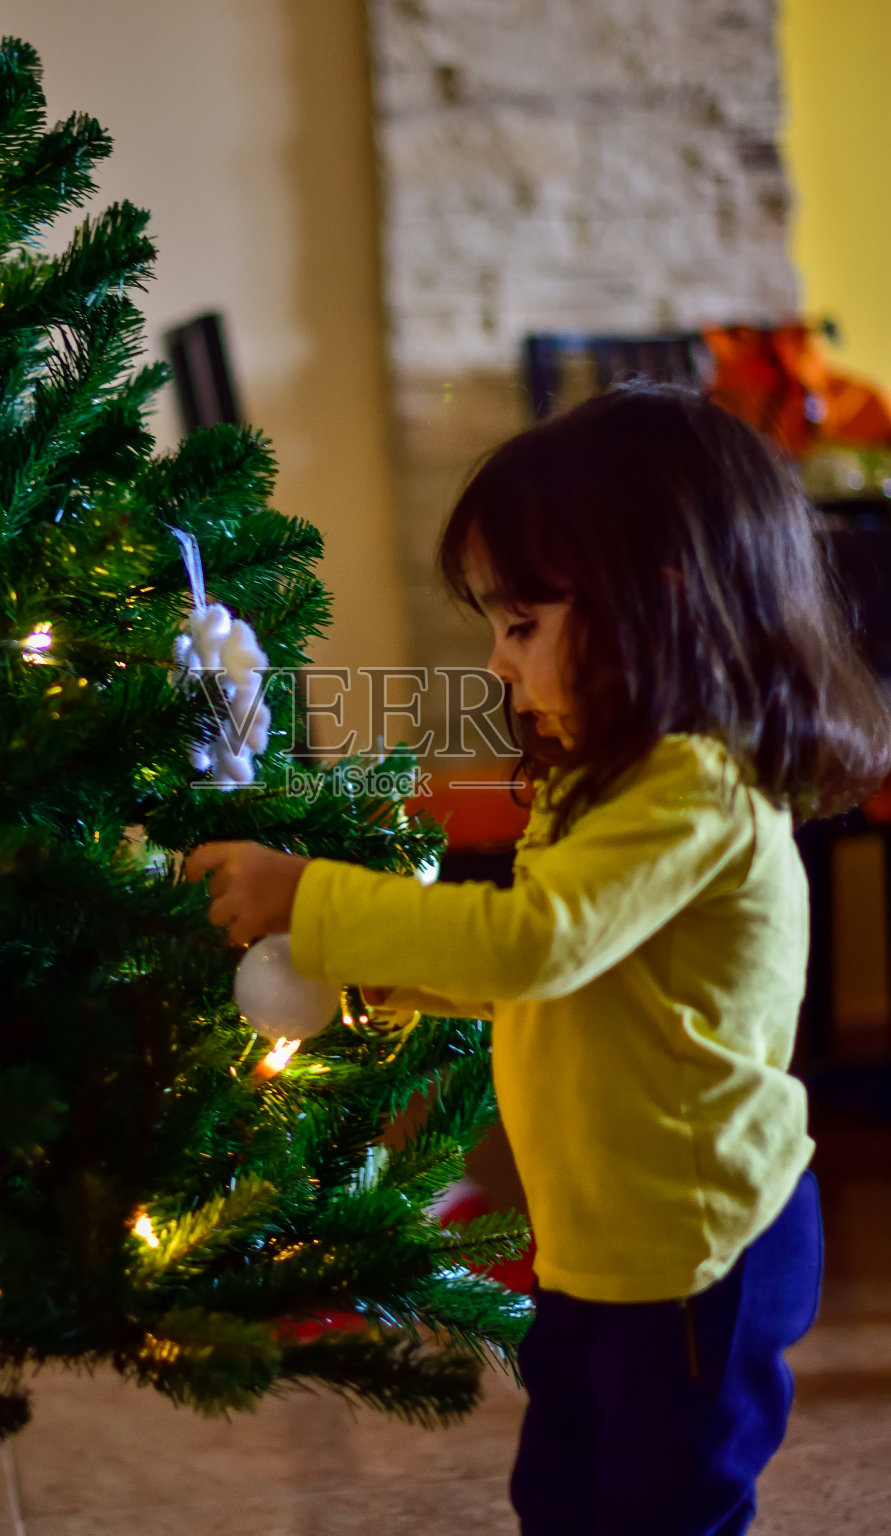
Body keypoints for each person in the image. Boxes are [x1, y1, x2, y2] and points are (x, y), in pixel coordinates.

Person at [186, 383, 891, 1536]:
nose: (498, 663)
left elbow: (533, 943)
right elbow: (529, 958)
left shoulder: (690, 791)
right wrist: (367, 979)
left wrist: (312, 896)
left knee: (666, 1506)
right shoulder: (603, 785)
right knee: (563, 1493)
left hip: (698, 1249)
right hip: (598, 1241)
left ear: (648, 605)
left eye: (520, 624)